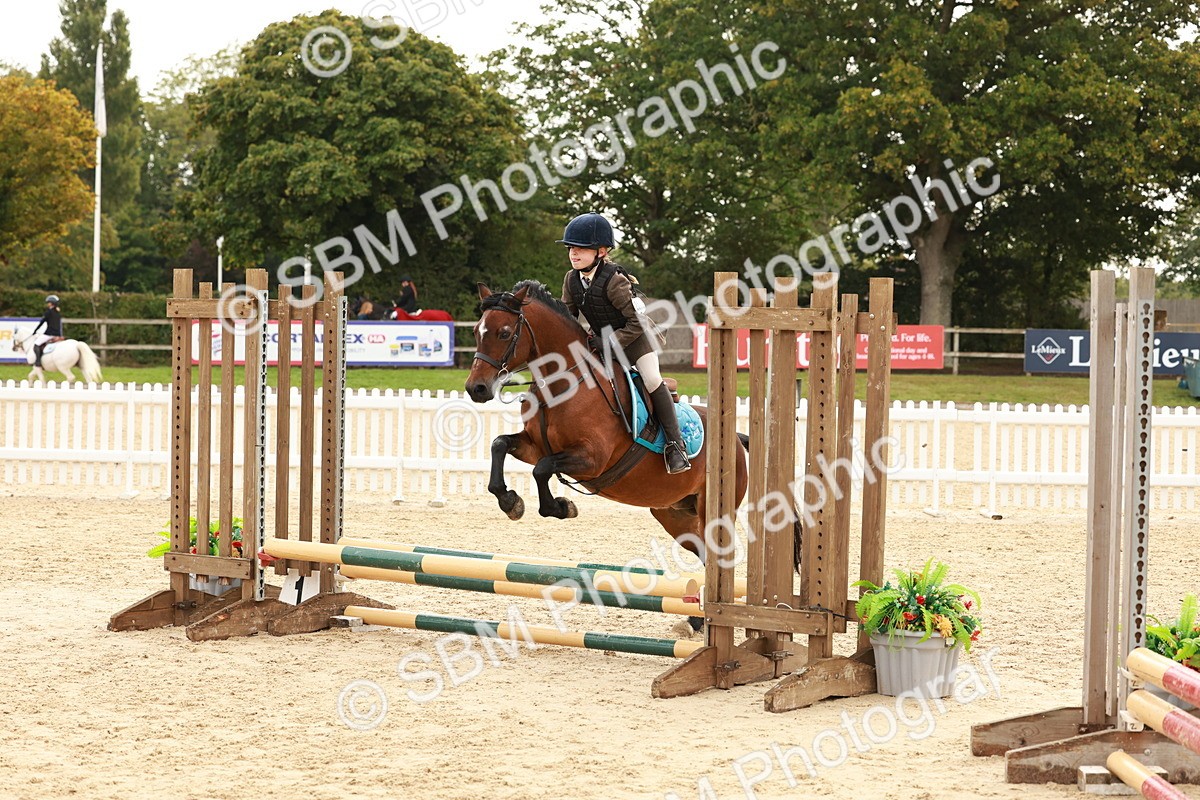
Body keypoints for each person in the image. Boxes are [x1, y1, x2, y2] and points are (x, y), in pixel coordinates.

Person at [557, 212, 690, 474]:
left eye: (580, 248)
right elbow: (567, 317)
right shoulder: (571, 279)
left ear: (601, 251)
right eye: (571, 248)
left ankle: (676, 446)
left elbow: (636, 323)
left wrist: (607, 342)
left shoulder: (614, 281)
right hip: (601, 342)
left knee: (652, 380)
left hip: (635, 341)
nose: (573, 253)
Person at [30, 295, 64, 368]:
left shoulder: (48, 312)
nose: (47, 304)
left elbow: (42, 322)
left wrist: (35, 330)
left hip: (49, 333)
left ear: (51, 303)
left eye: (48, 302)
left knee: (36, 343)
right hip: (58, 334)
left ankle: (38, 361)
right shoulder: (58, 313)